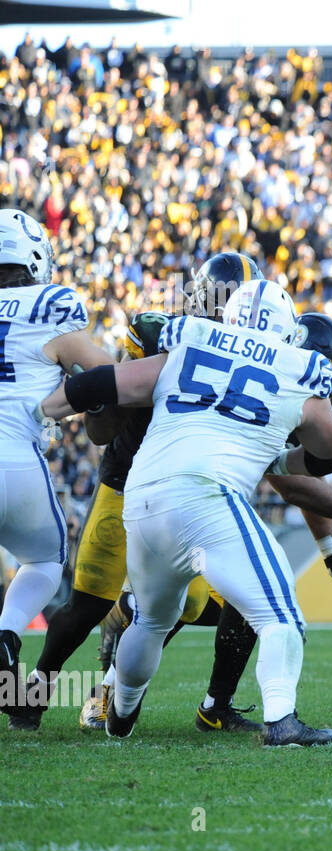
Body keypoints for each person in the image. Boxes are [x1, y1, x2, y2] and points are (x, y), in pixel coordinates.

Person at [36, 279, 332, 744]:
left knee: (152, 619)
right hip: (206, 496)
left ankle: (119, 714)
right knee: (281, 613)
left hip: (141, 499)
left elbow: (102, 384)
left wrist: (42, 412)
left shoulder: (189, 339)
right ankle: (282, 721)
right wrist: (283, 454)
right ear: (288, 331)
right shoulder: (297, 368)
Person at [0, 210, 115, 719]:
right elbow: (108, 374)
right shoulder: (49, 307)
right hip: (15, 458)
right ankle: (6, 635)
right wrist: (64, 402)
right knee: (45, 561)